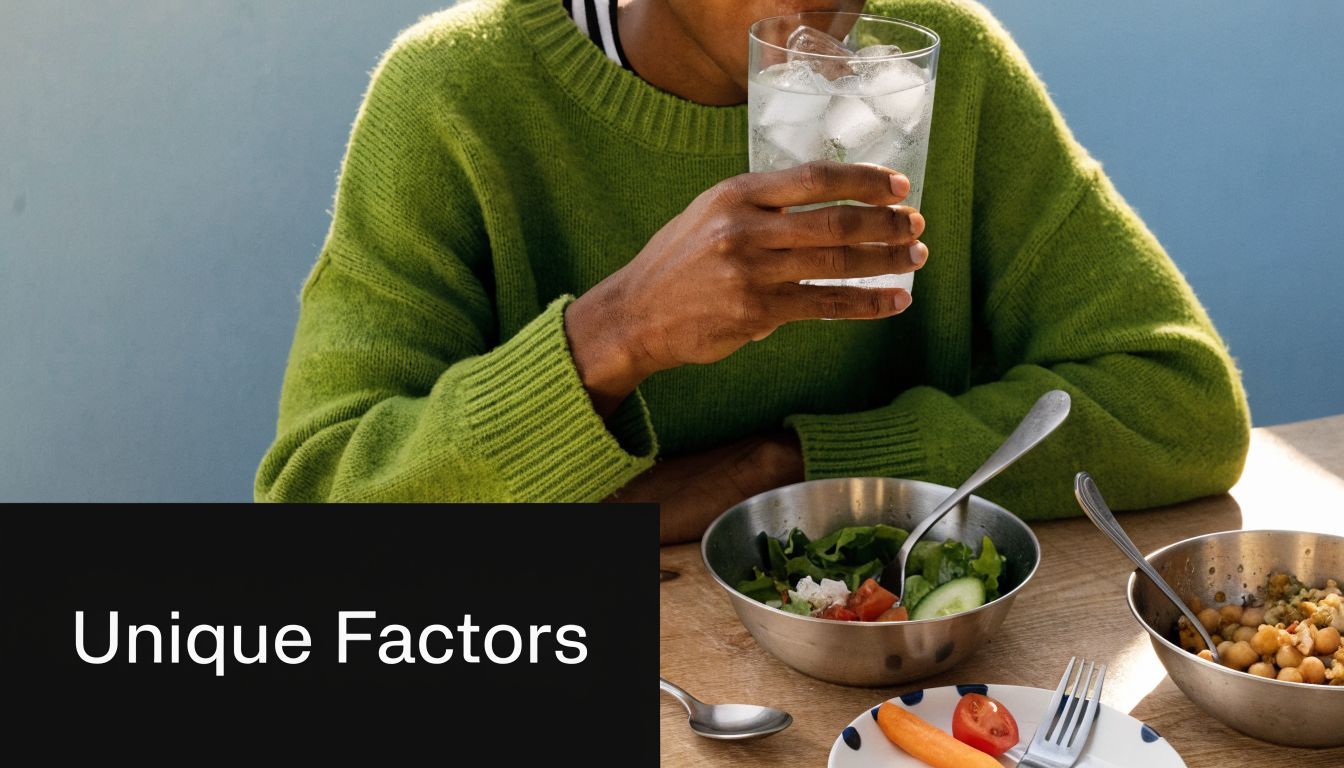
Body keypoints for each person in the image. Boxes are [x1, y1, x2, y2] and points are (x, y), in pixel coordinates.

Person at [255, 0, 1250, 543]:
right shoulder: (455, 97)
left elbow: (1182, 404)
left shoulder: (944, 64)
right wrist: (614, 334)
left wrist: (784, 473)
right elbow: (313, 502)